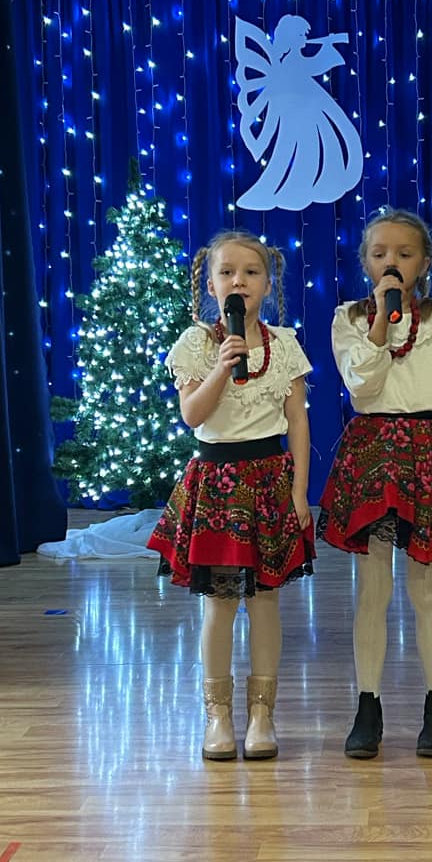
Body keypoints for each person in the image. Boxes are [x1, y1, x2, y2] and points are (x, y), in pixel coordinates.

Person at [320, 209, 432, 760]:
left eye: (404, 253)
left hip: (426, 452)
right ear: (366, 262)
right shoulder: (348, 319)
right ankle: (367, 706)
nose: (391, 261)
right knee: (373, 589)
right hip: (372, 452)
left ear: (425, 262)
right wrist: (378, 325)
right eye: (380, 253)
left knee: (427, 588)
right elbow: (361, 386)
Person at [149, 231, 313, 761]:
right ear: (210, 285)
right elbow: (193, 415)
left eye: (250, 272)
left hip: (268, 482)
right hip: (217, 483)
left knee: (265, 602)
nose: (238, 281)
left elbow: (297, 423)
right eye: (226, 272)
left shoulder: (283, 344)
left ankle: (262, 713)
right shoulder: (196, 344)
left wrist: (299, 492)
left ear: (267, 284)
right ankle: (217, 714)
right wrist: (222, 365)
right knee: (218, 605)